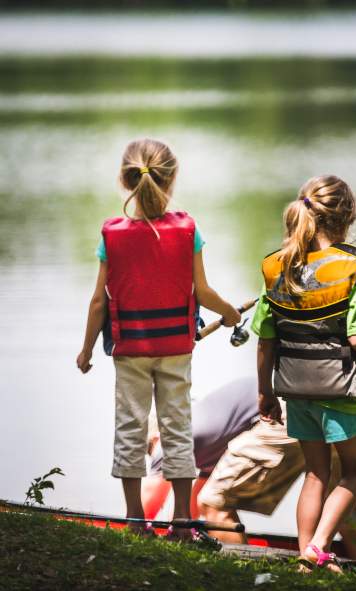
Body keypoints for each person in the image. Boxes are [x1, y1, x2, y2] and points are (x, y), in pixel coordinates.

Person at [76, 138, 240, 537]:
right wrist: (230, 313)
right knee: (176, 428)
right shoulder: (187, 230)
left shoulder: (112, 234)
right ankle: (182, 521)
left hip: (130, 349)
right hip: (175, 348)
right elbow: (203, 291)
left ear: (124, 179)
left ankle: (135, 521)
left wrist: (85, 350)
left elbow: (100, 301)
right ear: (172, 179)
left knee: (131, 428)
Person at [252, 175, 356, 571]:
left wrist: (265, 393)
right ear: (347, 217)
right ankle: (319, 546)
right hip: (341, 391)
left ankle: (306, 558)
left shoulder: (279, 266)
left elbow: (265, 341)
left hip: (294, 389)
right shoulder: (355, 266)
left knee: (315, 473)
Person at [143, 377, 356, 562]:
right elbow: (194, 507)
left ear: (154, 436)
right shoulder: (207, 438)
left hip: (282, 412)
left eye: (149, 450)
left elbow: (146, 509)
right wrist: (185, 532)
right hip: (326, 404)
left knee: (216, 504)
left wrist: (138, 532)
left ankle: (237, 570)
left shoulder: (167, 438)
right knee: (342, 513)